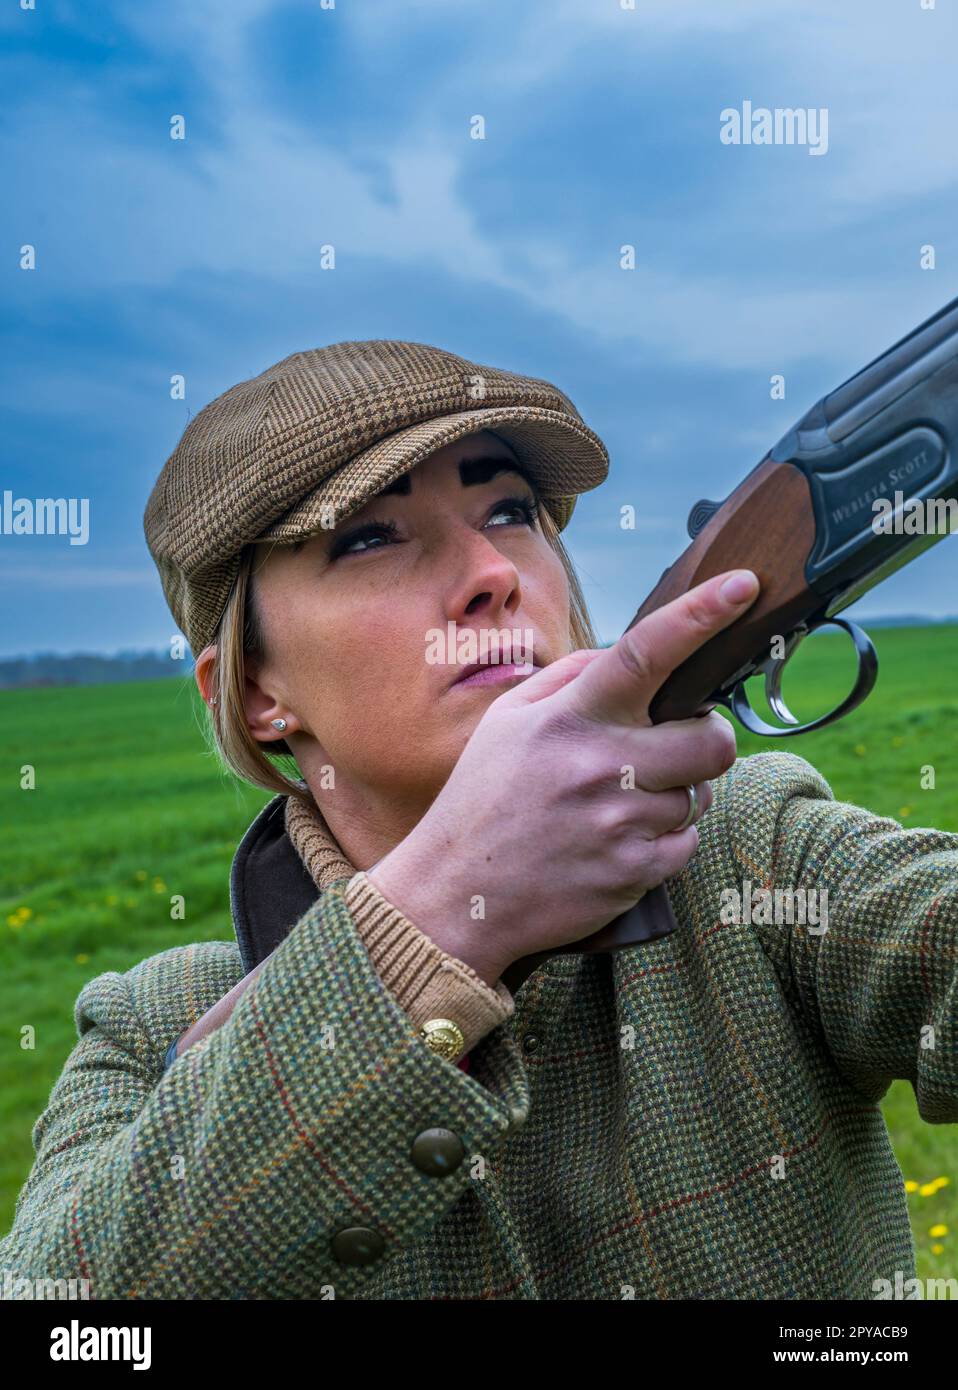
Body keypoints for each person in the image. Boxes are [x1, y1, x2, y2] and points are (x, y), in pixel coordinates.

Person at [2, 339, 956, 1301]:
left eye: (510, 511)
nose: (493, 571)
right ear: (254, 690)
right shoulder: (148, 1027)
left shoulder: (746, 845)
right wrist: (447, 911)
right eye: (370, 537)